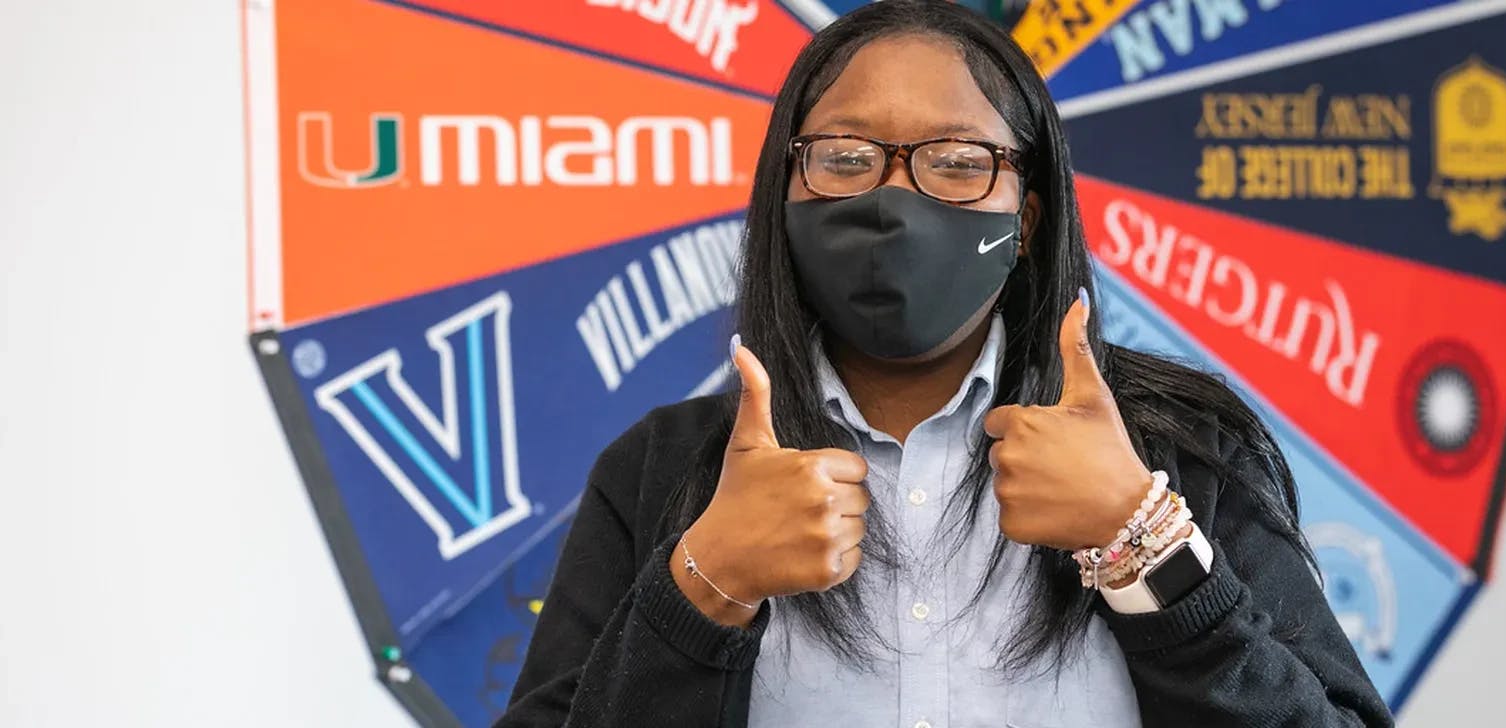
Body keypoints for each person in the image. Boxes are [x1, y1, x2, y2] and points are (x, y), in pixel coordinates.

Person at [498, 1, 1393, 725]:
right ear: (786, 190)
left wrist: (1142, 544)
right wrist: (704, 588)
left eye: (960, 163)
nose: (895, 200)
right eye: (846, 159)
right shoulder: (663, 473)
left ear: (1028, 216)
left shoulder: (1172, 451)